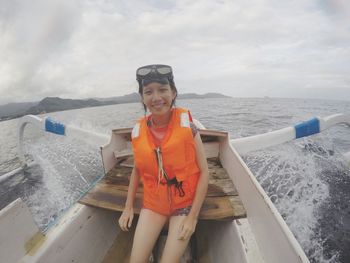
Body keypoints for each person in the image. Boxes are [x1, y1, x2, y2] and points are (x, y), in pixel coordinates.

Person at [118, 64, 209, 262]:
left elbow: (204, 172)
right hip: (154, 203)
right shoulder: (138, 131)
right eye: (148, 92)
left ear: (173, 93)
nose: (156, 97)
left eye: (163, 90)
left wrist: (192, 218)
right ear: (142, 97)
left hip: (184, 204)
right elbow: (137, 170)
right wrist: (127, 207)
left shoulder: (189, 128)